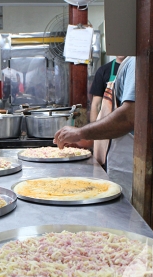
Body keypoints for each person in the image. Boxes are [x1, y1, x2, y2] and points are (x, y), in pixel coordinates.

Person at [54, 57, 136, 199]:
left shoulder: (135, 63)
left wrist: (81, 132)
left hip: (129, 164)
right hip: (114, 158)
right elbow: (105, 112)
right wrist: (90, 140)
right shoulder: (127, 63)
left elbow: (128, 117)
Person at [89, 56, 127, 122]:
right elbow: (96, 104)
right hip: (109, 123)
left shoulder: (137, 69)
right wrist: (93, 130)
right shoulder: (103, 71)